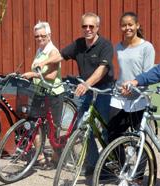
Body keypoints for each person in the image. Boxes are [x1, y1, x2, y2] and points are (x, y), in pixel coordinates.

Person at [37, 12, 114, 175]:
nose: (87, 29)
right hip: (85, 90)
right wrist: (44, 62)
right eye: (84, 26)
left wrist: (87, 83)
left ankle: (107, 165)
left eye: (91, 26)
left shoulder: (105, 45)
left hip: (103, 90)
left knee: (104, 130)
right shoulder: (79, 44)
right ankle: (93, 163)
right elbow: (61, 56)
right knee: (82, 127)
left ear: (97, 27)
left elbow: (102, 69)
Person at [107, 12, 155, 141]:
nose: (127, 28)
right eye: (124, 25)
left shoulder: (146, 47)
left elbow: (148, 75)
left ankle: (141, 161)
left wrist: (133, 88)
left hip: (138, 97)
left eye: (130, 24)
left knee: (139, 138)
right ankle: (120, 161)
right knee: (112, 135)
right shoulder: (118, 47)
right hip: (119, 97)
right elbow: (117, 71)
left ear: (137, 25)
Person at [22, 21, 64, 166]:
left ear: (49, 35)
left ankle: (56, 156)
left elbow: (52, 76)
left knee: (53, 127)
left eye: (43, 36)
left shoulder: (53, 51)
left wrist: (32, 75)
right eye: (37, 36)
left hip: (53, 94)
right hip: (39, 92)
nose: (40, 39)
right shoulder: (40, 50)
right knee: (35, 124)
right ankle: (39, 155)